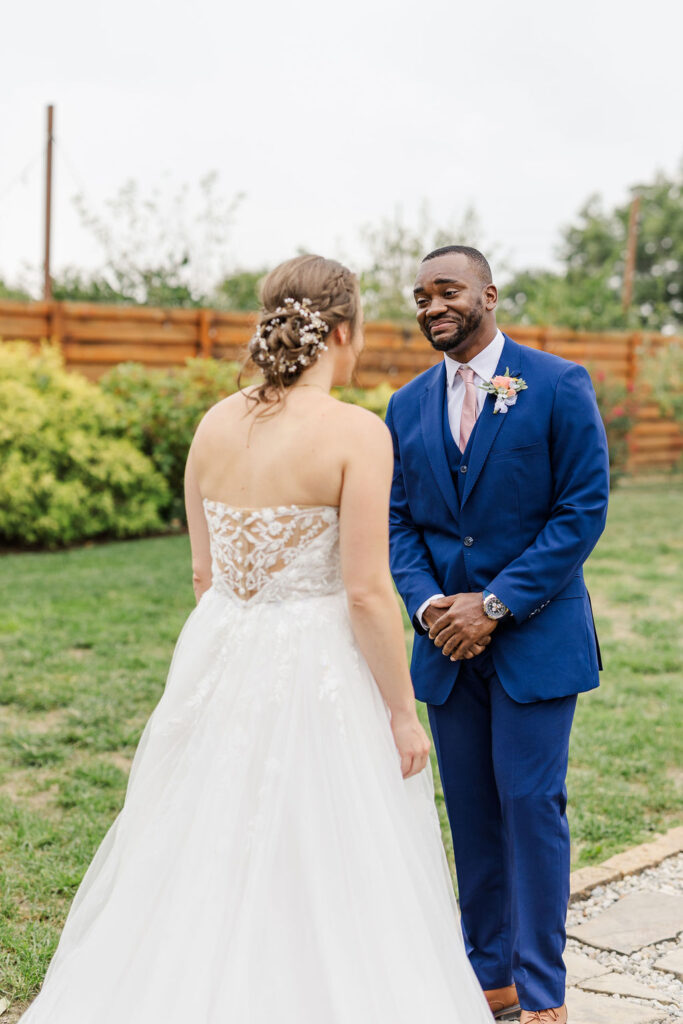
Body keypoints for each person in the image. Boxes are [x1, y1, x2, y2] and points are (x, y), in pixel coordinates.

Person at [20, 254, 492, 1023]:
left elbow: (204, 575)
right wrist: (403, 714)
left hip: (219, 654)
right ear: (343, 331)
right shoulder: (355, 433)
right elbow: (370, 592)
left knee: (203, 835)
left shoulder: (213, 423)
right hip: (316, 668)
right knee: (328, 847)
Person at [386, 245, 610, 1024]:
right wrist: (431, 608)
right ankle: (489, 979)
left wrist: (494, 606)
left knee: (529, 805)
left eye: (444, 290)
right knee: (473, 814)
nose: (430, 306)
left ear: (487, 292)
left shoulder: (554, 384)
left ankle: (542, 990)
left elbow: (580, 510)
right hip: (445, 646)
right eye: (419, 296)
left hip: (534, 640)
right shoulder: (405, 404)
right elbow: (398, 522)